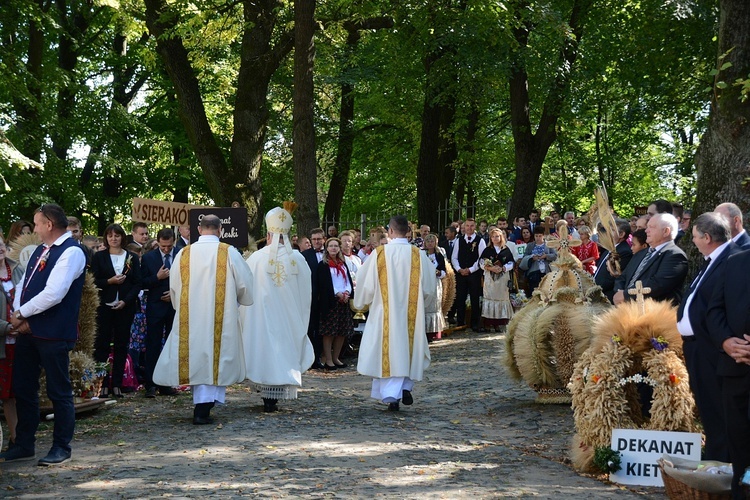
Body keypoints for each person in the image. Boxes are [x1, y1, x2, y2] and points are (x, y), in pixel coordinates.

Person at [1, 203, 87, 465]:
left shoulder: (72, 252)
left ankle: (62, 446)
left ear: (49, 224)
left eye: (37, 224)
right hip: (30, 332)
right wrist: (19, 313)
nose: (34, 229)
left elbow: (54, 292)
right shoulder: (41, 249)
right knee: (24, 387)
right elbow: (23, 285)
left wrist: (21, 314)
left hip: (54, 332)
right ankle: (25, 444)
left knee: (58, 390)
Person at [153, 215, 253, 424]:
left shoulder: (184, 253)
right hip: (221, 315)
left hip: (192, 316)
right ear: (220, 230)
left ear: (199, 229)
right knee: (216, 357)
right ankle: (204, 407)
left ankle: (204, 405)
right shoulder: (229, 253)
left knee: (197, 357)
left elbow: (174, 286)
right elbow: (244, 285)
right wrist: (239, 300)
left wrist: (180, 305)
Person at [353, 215, 436, 411]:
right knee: (407, 348)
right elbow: (429, 288)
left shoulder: (380, 254)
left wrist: (361, 303)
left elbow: (365, 284)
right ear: (407, 231)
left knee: (388, 351)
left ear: (390, 231)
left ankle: (392, 396)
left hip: (384, 314)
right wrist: (420, 303)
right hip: (411, 315)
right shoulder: (418, 255)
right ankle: (405, 386)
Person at [677, 212, 738, 462]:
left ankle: (720, 465)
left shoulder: (729, 260)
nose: (692, 241)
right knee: (707, 408)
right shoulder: (710, 260)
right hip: (697, 347)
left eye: (694, 236)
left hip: (712, 347)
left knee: (716, 409)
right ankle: (714, 460)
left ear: (707, 237)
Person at [242, 206, 315, 413]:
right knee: (283, 349)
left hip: (263, 318)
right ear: (288, 235)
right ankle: (275, 393)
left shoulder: (256, 258)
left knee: (265, 349)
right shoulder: (299, 260)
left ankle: (267, 394)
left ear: (267, 235)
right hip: (288, 319)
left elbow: (246, 289)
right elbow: (306, 293)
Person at [706, 248, 750, 499]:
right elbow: (715, 309)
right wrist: (725, 341)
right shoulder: (735, 262)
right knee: (738, 439)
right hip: (734, 368)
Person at [91, 224, 142, 398]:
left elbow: (137, 283)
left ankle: (118, 384)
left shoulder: (132, 257)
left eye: (117, 235)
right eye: (110, 235)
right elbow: (94, 281)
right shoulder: (99, 257)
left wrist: (126, 301)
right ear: (106, 238)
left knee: (121, 345)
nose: (114, 238)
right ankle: (102, 384)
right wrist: (109, 282)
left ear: (122, 237)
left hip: (124, 306)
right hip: (104, 306)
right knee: (102, 346)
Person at [613, 213, 687, 306]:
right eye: (647, 227)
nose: (646, 231)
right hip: (627, 310)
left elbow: (657, 285)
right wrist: (619, 292)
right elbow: (624, 276)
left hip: (653, 315)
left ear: (666, 231)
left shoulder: (675, 255)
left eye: (651, 227)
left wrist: (626, 295)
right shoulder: (641, 253)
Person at [140, 228, 179, 398]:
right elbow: (141, 282)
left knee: (171, 344)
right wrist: (157, 277)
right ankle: (150, 383)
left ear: (174, 242)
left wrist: (174, 293)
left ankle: (167, 383)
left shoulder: (181, 254)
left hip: (174, 305)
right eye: (163, 246)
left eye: (169, 246)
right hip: (155, 307)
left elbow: (188, 278)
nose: (166, 249)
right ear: (158, 243)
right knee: (153, 344)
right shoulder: (149, 258)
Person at [315, 237, 354, 369]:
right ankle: (328, 359)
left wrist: (347, 292)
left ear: (339, 248)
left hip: (343, 301)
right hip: (330, 302)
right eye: (331, 246)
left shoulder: (342, 264)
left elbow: (347, 280)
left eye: (336, 246)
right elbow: (325, 284)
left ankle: (336, 357)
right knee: (329, 332)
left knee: (341, 331)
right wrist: (337, 293)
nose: (333, 248)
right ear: (327, 248)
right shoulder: (323, 265)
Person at [0, 237, 24, 451]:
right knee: (6, 394)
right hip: (2, 342)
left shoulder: (18, 269)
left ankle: (23, 439)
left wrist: (24, 321)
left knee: (21, 390)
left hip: (22, 339)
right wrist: (5, 327)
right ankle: (14, 437)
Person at [451, 218, 486, 332]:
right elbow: (454, 257)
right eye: (467, 226)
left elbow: (482, 258)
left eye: (471, 226)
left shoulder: (480, 241)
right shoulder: (459, 240)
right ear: (464, 227)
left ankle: (475, 323)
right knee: (460, 298)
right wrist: (459, 269)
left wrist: (470, 270)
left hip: (474, 274)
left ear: (474, 227)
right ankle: (460, 322)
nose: (469, 228)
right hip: (460, 274)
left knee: (475, 298)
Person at [479, 228, 514, 333]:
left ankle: (498, 324)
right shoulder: (487, 250)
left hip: (502, 278)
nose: (495, 238)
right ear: (491, 238)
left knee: (501, 298)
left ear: (501, 237)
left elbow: (511, 263)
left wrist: (503, 268)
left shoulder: (506, 250)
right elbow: (481, 262)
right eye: (493, 236)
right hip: (490, 278)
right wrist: (490, 268)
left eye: (497, 236)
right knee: (490, 298)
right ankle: (488, 324)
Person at [594, 219, 633, 303]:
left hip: (607, 297)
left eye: (612, 230)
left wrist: (594, 290)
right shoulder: (609, 249)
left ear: (621, 234)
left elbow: (612, 279)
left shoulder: (624, 252)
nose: (607, 233)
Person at [423, 233, 447, 341]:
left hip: (435, 282)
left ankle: (433, 332)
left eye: (432, 241)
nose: (430, 243)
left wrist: (438, 273)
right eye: (428, 241)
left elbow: (444, 272)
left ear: (436, 242)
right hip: (424, 282)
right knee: (425, 306)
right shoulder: (421, 254)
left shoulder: (439, 255)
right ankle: (423, 331)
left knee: (434, 305)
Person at [520, 227, 557, 295]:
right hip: (534, 270)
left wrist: (546, 256)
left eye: (540, 236)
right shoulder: (530, 245)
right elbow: (525, 256)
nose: (538, 238)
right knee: (534, 289)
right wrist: (532, 257)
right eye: (536, 236)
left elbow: (555, 255)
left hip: (546, 270)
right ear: (534, 236)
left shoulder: (548, 245)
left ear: (543, 236)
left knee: (546, 290)